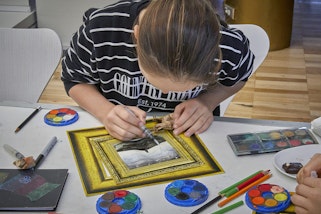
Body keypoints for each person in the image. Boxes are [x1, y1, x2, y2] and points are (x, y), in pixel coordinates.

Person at [61, 0, 254, 140]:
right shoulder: (101, 29)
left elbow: (240, 77)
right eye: (155, 80)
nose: (165, 93)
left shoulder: (227, 46)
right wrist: (105, 112)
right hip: (114, 133)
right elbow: (74, 78)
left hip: (196, 136)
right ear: (136, 37)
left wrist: (207, 102)